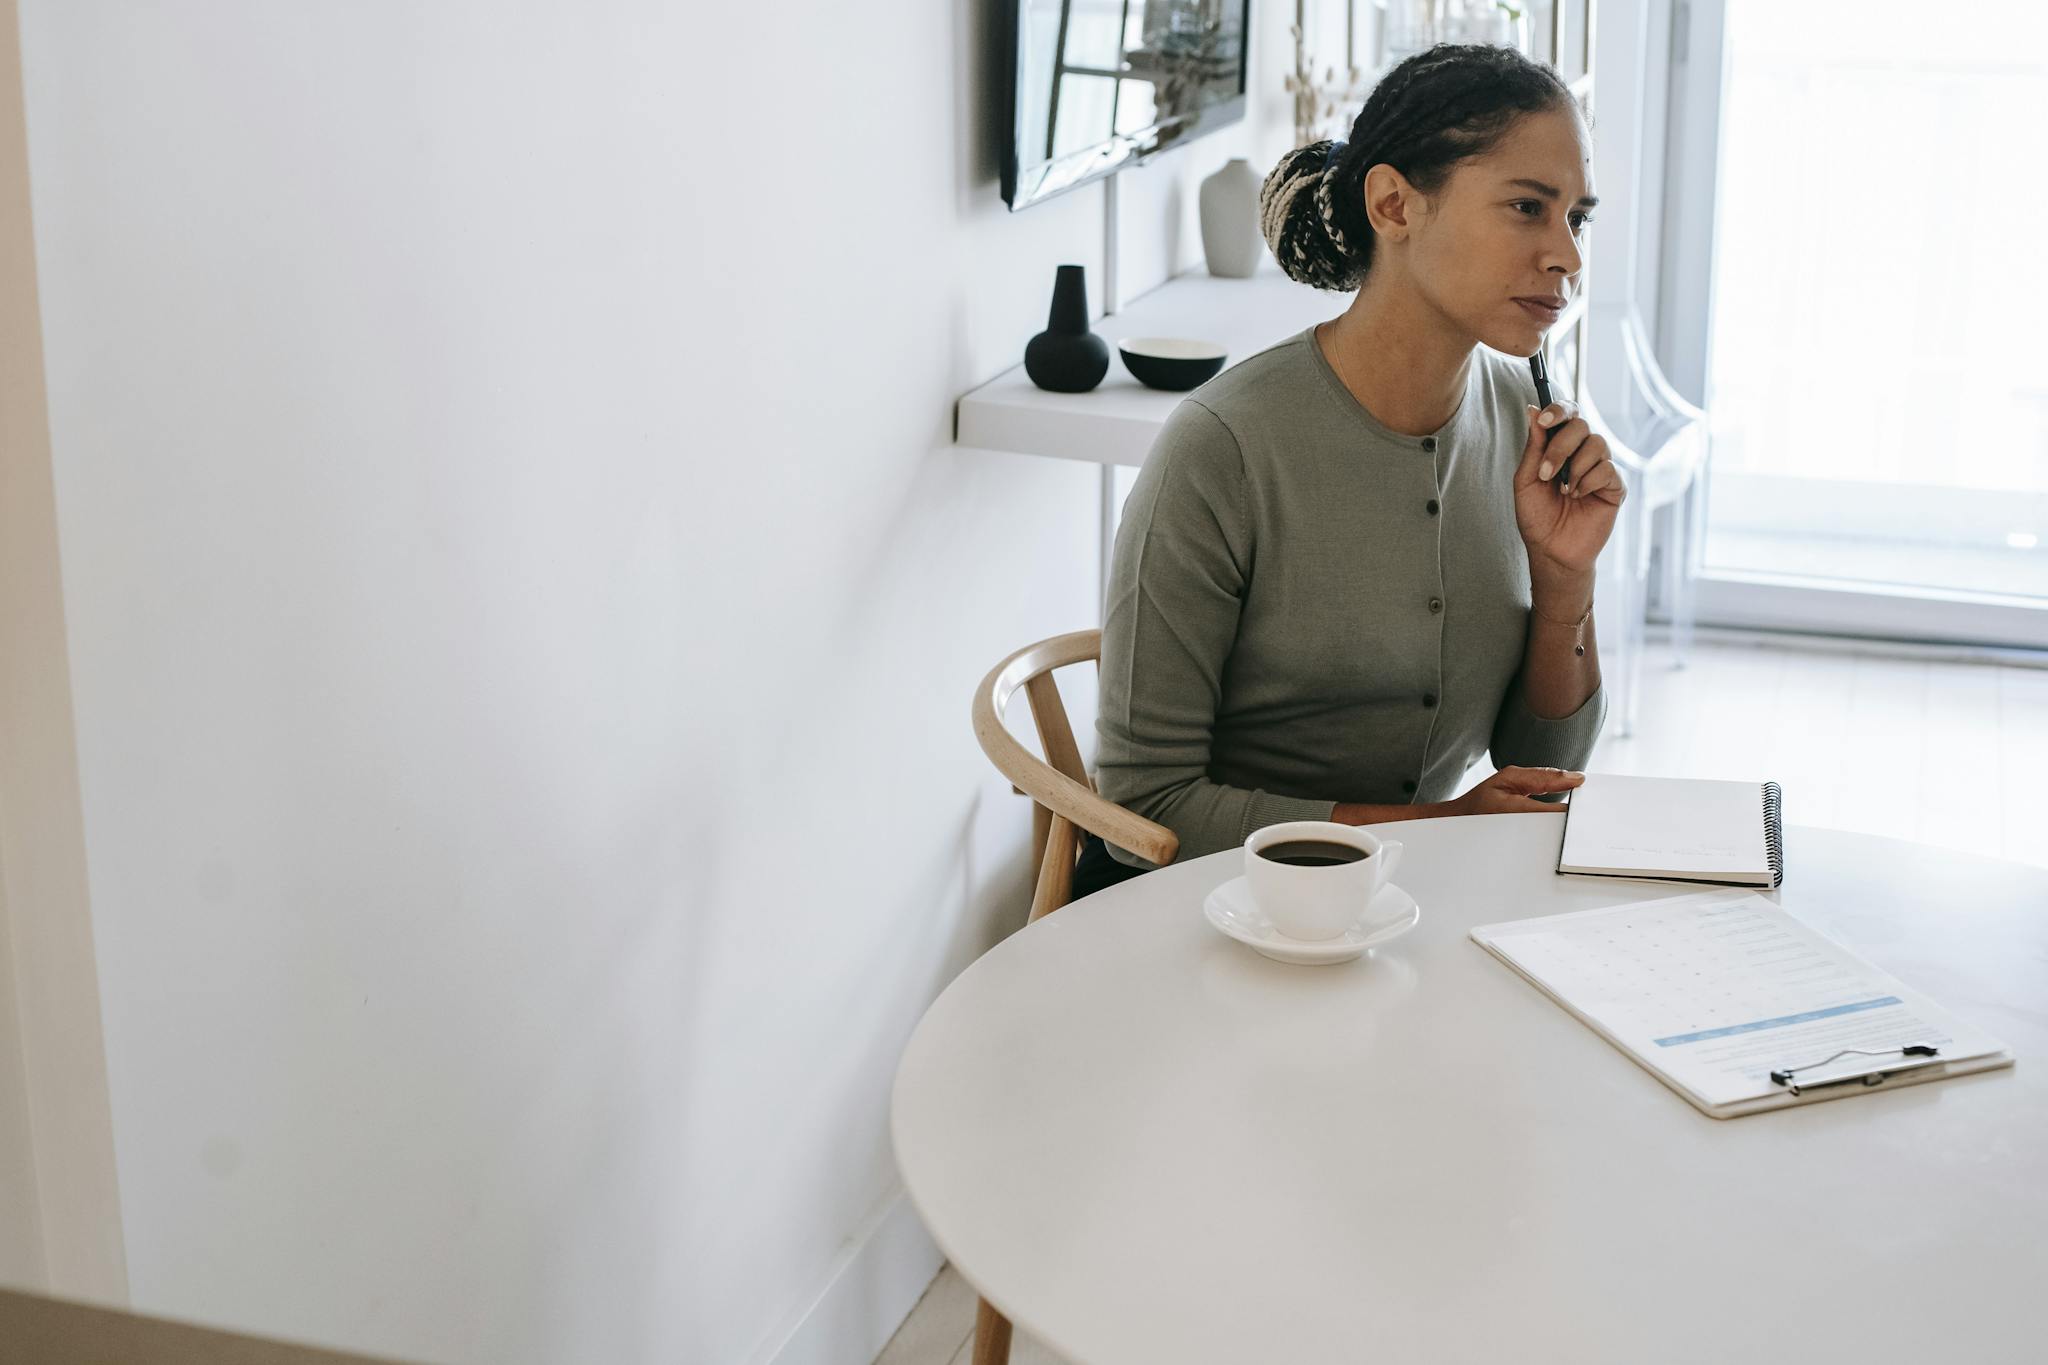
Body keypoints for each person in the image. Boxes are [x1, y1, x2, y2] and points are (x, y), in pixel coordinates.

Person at [1076, 42, 1625, 900]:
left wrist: (1566, 578)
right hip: (1199, 911)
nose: (1568, 256)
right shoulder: (1222, 447)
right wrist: (1442, 829)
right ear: (1395, 203)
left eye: (1577, 217)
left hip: (1400, 907)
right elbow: (1150, 803)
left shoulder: (1526, 427)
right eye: (1528, 207)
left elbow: (1538, 771)